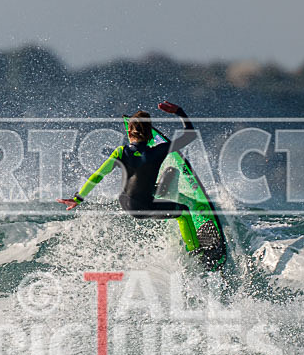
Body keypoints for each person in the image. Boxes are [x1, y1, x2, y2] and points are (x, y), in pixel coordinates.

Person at [57, 101, 201, 250]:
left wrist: (78, 198)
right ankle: (195, 251)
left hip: (125, 201)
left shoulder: (121, 152)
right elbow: (190, 135)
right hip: (143, 206)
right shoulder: (159, 150)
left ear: (129, 131)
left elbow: (97, 176)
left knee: (167, 175)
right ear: (150, 133)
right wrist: (179, 111)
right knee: (184, 212)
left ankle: (161, 195)